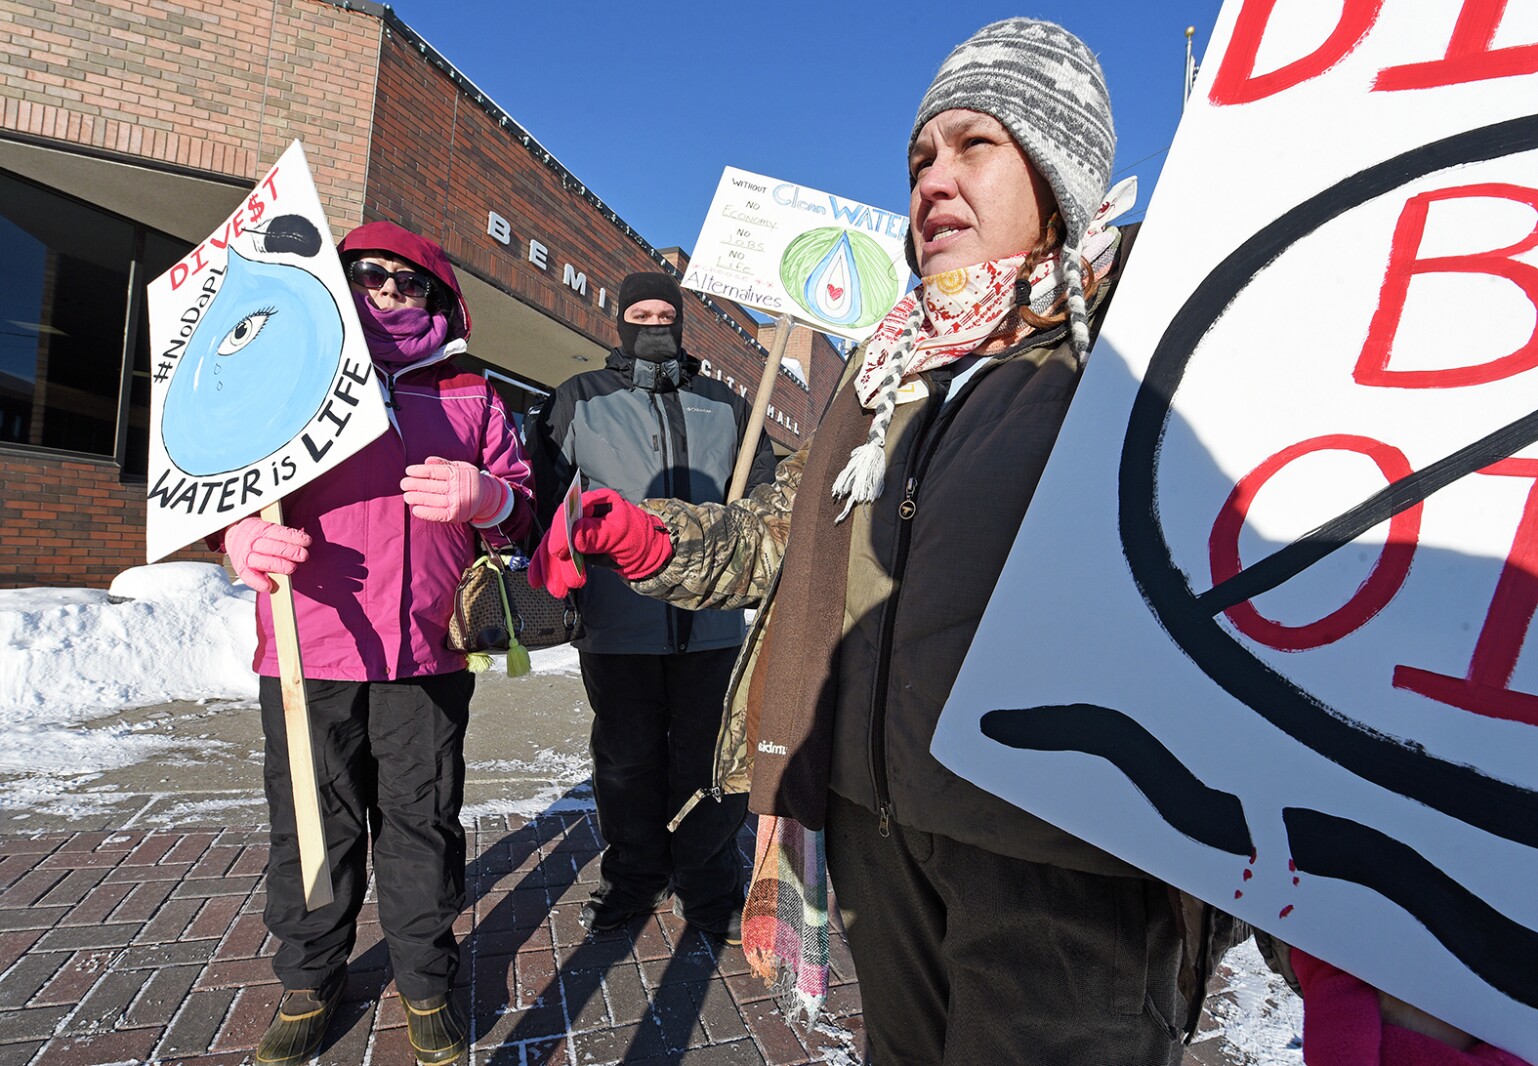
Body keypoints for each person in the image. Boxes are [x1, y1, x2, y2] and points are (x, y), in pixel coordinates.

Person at [529, 19, 1536, 1066]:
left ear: (1054, 173)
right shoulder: (882, 376)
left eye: (974, 145)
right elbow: (770, 545)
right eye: (920, 155)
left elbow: (1289, 589)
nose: (932, 179)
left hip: (1068, 871)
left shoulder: (1140, 351)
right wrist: (650, 536)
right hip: (873, 828)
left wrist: (1353, 933)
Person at [218, 220, 533, 1066]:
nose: (390, 293)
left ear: (439, 299)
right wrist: (236, 535)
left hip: (427, 652)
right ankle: (309, 979)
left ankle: (426, 980)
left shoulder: (472, 393)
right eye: (370, 275)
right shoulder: (291, 367)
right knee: (312, 825)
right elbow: (217, 471)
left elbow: (523, 507)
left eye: (409, 282)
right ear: (340, 279)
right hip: (306, 640)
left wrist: (491, 498)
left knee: (421, 821)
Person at [524, 271, 776, 942]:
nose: (654, 323)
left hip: (714, 622)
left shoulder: (726, 404)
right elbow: (545, 505)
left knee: (711, 762)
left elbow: (762, 507)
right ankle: (633, 876)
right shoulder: (579, 400)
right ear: (620, 321)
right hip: (617, 623)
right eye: (641, 312)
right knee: (627, 760)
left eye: (666, 313)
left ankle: (708, 883)